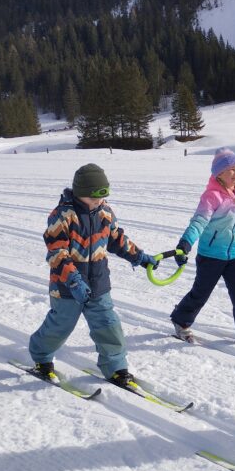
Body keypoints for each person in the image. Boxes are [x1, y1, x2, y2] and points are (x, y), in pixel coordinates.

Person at [29, 163, 158, 387]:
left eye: (103, 196)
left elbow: (117, 240)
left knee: (108, 325)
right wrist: (73, 279)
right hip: (67, 285)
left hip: (98, 283)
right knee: (60, 325)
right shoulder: (62, 215)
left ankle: (116, 368)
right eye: (94, 197)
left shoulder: (105, 212)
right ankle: (41, 357)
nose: (99, 201)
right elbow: (57, 253)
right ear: (81, 193)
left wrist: (140, 257)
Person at [171, 148, 235, 347]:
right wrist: (185, 243)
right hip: (211, 254)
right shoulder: (211, 196)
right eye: (231, 169)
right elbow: (199, 222)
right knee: (201, 292)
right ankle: (181, 320)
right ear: (218, 173)